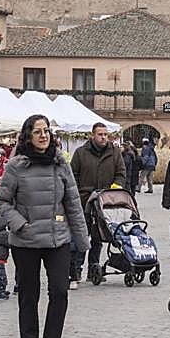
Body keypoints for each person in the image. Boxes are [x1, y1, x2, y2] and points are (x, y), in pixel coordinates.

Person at [0, 114, 89, 338]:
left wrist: (82, 240)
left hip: (57, 239)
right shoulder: (16, 166)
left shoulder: (60, 163)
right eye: (37, 131)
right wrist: (20, 224)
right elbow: (1, 202)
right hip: (26, 241)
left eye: (46, 130)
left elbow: (73, 203)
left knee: (59, 293)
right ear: (28, 136)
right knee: (28, 297)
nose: (43, 135)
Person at [69, 122, 126, 288]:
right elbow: (72, 176)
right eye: (100, 134)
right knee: (81, 237)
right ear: (92, 135)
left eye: (105, 134)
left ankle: (93, 270)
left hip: (105, 202)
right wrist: (77, 194)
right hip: (84, 201)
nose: (103, 137)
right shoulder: (81, 153)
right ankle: (76, 271)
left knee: (98, 237)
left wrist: (116, 187)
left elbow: (121, 173)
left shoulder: (114, 152)